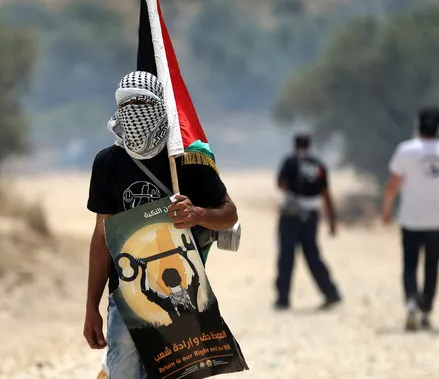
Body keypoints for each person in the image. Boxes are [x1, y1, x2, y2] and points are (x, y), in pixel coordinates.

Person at [83, 71, 239, 379]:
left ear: (160, 106)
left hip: (182, 290)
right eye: (126, 104)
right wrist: (91, 308)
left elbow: (230, 213)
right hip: (126, 291)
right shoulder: (107, 164)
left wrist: (197, 214)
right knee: (124, 371)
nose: (135, 110)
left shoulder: (187, 160)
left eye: (143, 102)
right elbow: (102, 238)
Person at [382, 106, 439, 331]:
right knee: (432, 266)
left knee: (410, 264)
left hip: (411, 218)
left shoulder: (406, 150)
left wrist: (386, 209)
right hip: (437, 220)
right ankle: (426, 308)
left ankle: (411, 302)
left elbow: (393, 184)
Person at [274, 133, 342, 311]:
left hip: (291, 214)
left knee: (286, 256)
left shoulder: (290, 161)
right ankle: (331, 292)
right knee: (312, 254)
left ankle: (283, 299)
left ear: (295, 145)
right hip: (311, 215)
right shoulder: (319, 165)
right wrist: (332, 221)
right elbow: (326, 194)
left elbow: (280, 183)